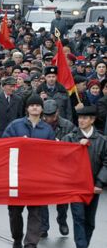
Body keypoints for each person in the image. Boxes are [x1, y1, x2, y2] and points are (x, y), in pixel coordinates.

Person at [2, 94, 55, 248]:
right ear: (27, 108)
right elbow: (3, 144)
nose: (34, 108)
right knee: (15, 212)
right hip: (17, 176)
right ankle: (17, 238)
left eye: (37, 105)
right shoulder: (15, 125)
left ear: (41, 109)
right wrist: (18, 141)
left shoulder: (47, 129)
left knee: (36, 213)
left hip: (38, 178)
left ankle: (31, 246)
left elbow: (52, 152)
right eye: (32, 105)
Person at [62, 106, 107, 248]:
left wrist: (100, 183)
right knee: (78, 217)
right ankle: (81, 247)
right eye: (79, 118)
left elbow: (106, 163)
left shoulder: (102, 140)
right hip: (75, 186)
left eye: (85, 118)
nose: (81, 121)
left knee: (90, 220)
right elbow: (62, 158)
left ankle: (84, 247)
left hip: (93, 186)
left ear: (92, 120)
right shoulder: (70, 138)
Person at [40, 99, 77, 238]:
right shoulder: (40, 125)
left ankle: (62, 220)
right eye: (46, 115)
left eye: (51, 115)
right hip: (44, 166)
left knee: (62, 197)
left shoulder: (67, 126)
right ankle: (43, 226)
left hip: (62, 167)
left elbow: (75, 142)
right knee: (43, 198)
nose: (48, 118)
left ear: (57, 113)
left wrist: (62, 144)